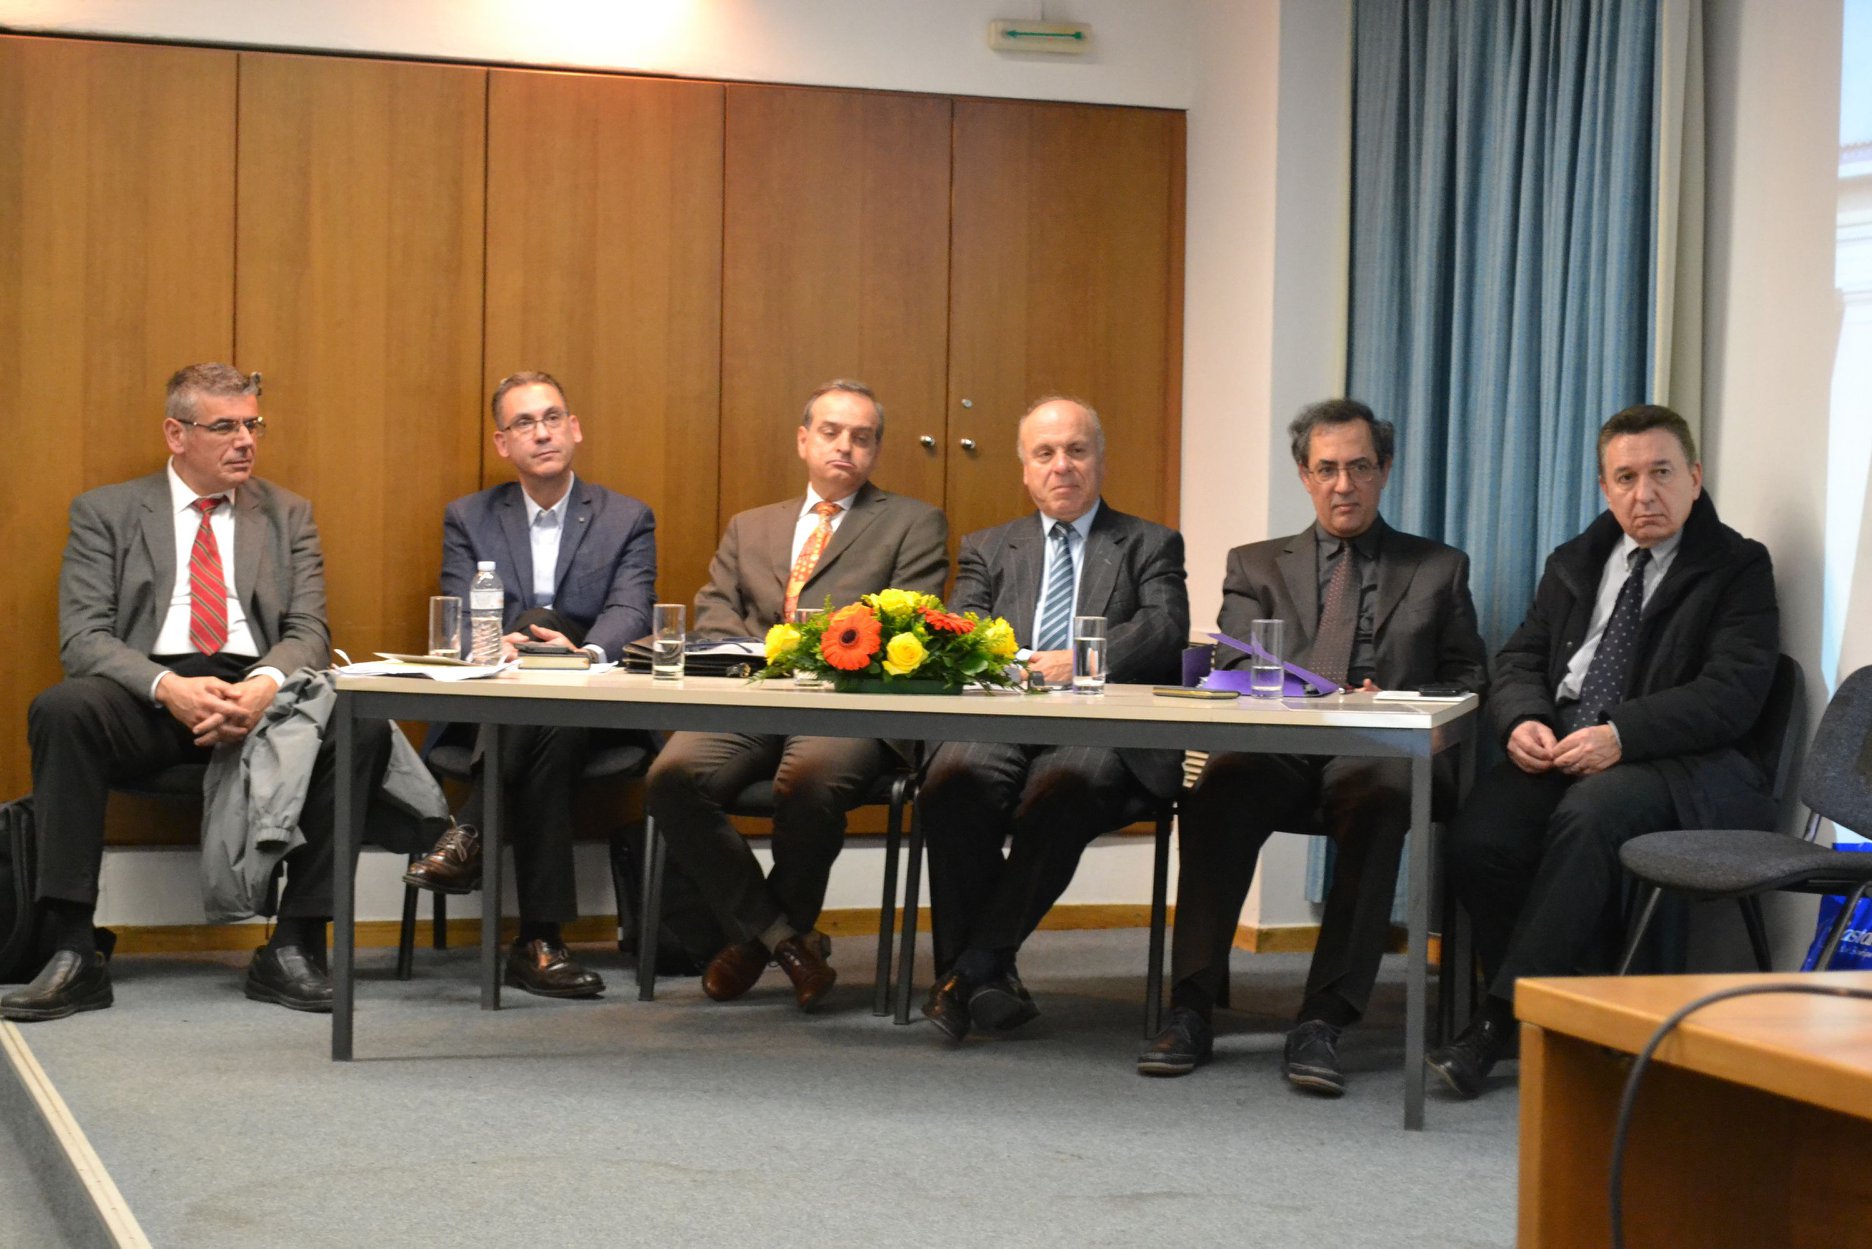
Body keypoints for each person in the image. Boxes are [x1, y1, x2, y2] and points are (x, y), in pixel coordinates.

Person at [3, 363, 394, 1021]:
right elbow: (84, 638)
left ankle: (295, 945)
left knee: (361, 723)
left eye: (253, 425)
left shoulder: (287, 514)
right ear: (176, 434)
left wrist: (263, 686)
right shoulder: (107, 511)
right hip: (147, 696)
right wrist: (169, 688)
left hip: (257, 694)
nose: (245, 441)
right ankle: (73, 950)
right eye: (225, 427)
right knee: (62, 708)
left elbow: (309, 632)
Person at [1137, 399, 1488, 1093]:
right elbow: (1235, 664)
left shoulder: (1438, 567)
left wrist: (1391, 696)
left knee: (1383, 795)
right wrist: (1305, 692)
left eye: (1360, 467)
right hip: (1279, 747)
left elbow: (1468, 675)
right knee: (1217, 791)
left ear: (1385, 470)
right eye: (1327, 469)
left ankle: (1323, 1019)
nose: (1343, 485)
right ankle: (1190, 1008)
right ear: (1304, 475)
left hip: (1379, 746)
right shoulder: (1256, 564)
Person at [1428, 404, 1779, 1099]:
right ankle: (1570, 1004)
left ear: (1695, 477)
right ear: (1604, 487)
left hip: (1675, 760)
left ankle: (1500, 1019)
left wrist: (1623, 734)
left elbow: (1732, 693)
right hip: (1567, 737)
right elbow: (1520, 658)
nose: (1644, 494)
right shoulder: (1575, 561)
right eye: (1626, 477)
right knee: (1480, 837)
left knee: (1588, 815)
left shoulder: (1737, 566)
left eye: (1661, 473)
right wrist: (1523, 719)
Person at [645, 379, 947, 1011]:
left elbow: (907, 622)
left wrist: (809, 654)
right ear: (804, 440)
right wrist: (769, 660)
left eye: (862, 437)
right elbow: (715, 614)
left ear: (876, 450)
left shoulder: (913, 523)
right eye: (831, 433)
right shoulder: (750, 525)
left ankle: (755, 945)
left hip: (847, 706)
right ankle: (785, 939)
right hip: (752, 699)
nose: (845, 447)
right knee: (671, 777)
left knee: (807, 780)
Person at [919, 397, 1188, 1042]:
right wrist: (1008, 665)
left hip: (1099, 726)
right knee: (951, 780)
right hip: (1003, 715)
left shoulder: (1149, 542)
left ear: (1100, 460)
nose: (1061, 465)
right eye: (1045, 453)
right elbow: (961, 627)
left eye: (1076, 450)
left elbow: (1164, 628)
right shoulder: (988, 546)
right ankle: (987, 976)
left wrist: (1082, 660)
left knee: (1064, 789)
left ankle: (969, 969)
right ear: (1025, 469)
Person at [401, 371, 657, 999]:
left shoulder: (627, 517)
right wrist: (505, 646)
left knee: (551, 650)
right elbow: (464, 611)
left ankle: (469, 832)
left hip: (597, 700)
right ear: (502, 443)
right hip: (501, 697)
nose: (541, 433)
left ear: (574, 428)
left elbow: (631, 610)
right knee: (547, 716)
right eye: (524, 423)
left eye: (552, 418)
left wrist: (581, 654)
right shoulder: (468, 517)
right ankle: (539, 943)